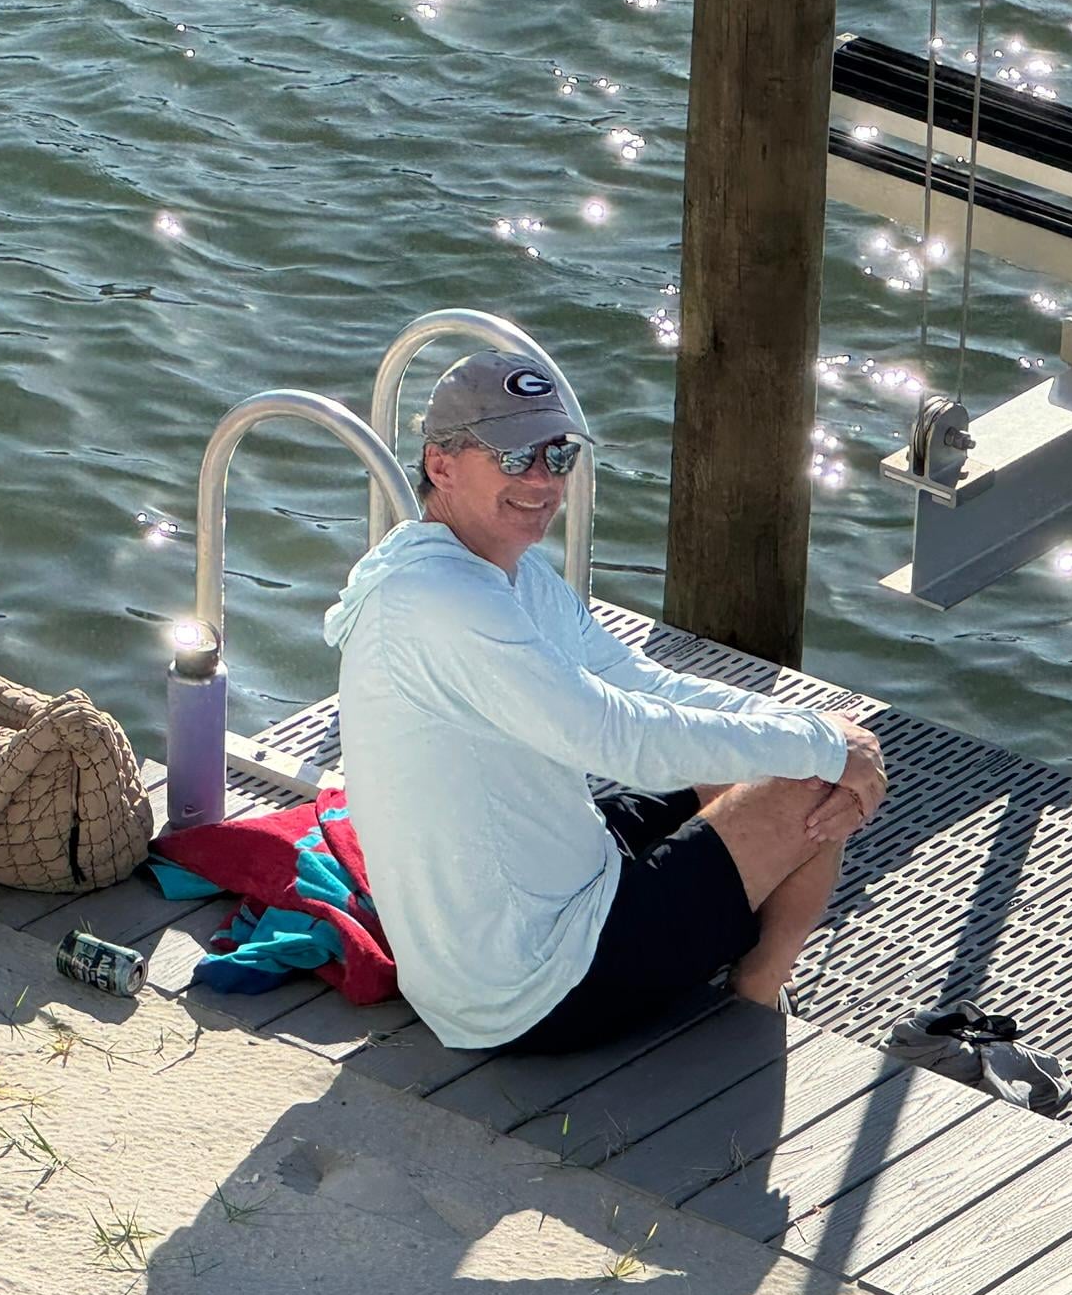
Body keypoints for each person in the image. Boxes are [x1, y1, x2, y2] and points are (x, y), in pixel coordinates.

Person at [323, 350, 886, 1053]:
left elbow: (640, 683)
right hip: (533, 989)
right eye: (513, 453)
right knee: (810, 782)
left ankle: (726, 948)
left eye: (556, 454)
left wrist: (811, 727)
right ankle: (755, 996)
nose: (540, 479)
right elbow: (618, 738)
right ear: (441, 465)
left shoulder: (498, 572)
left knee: (779, 750)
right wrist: (827, 748)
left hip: (542, 905)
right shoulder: (442, 602)